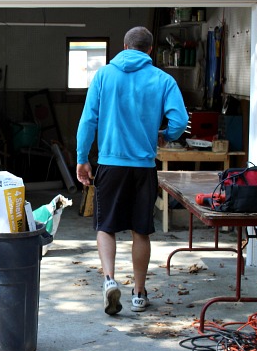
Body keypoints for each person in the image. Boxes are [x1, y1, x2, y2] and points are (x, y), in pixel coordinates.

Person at [75, 26, 188, 315]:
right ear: (150, 50)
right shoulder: (163, 79)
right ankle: (139, 294)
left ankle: (110, 280)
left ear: (125, 46)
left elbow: (88, 120)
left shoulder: (103, 75)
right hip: (143, 167)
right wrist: (164, 134)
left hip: (111, 164)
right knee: (141, 230)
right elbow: (179, 121)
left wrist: (82, 157)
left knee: (106, 226)